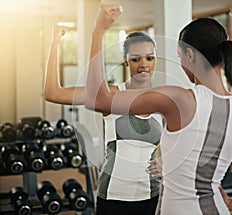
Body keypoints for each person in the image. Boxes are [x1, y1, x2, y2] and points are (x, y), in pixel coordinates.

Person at [84, 4, 232, 215]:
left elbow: (99, 99)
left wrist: (99, 31)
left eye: (179, 56)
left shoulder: (178, 99)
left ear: (190, 55)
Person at [44, 25, 163, 215]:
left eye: (150, 58)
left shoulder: (161, 101)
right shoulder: (110, 95)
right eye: (136, 59)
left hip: (151, 196)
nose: (144, 64)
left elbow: (165, 145)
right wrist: (55, 43)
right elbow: (53, 93)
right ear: (126, 61)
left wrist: (165, 163)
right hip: (115, 196)